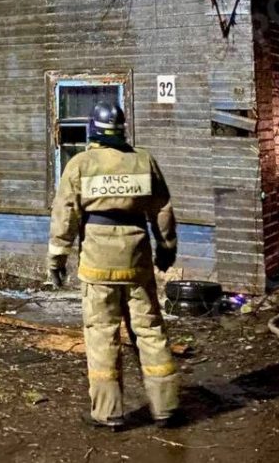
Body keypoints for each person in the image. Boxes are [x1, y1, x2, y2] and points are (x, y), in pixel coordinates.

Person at [47, 102, 179, 429]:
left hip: (97, 263)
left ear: (92, 130)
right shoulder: (143, 161)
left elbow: (65, 215)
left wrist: (57, 258)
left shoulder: (80, 164)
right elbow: (161, 209)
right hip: (136, 260)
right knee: (149, 330)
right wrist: (166, 247)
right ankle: (166, 407)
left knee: (102, 333)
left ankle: (108, 412)